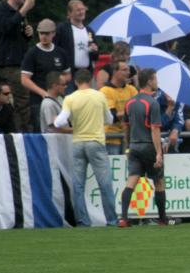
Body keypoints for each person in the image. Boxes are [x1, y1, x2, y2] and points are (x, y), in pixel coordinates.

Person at [53, 69, 117, 227]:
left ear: (76, 81)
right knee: (105, 183)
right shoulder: (99, 95)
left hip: (78, 143)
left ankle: (83, 221)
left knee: (78, 185)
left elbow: (59, 122)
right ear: (91, 80)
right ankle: (112, 220)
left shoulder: (70, 98)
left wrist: (56, 121)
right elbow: (109, 119)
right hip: (96, 141)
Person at [118, 69, 167, 227]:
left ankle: (124, 218)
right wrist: (159, 153)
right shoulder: (152, 103)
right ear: (149, 82)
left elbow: (125, 127)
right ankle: (162, 219)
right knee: (158, 181)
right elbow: (155, 129)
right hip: (148, 146)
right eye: (155, 79)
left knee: (131, 180)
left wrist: (127, 146)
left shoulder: (130, 102)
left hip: (134, 146)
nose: (157, 82)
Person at [0, 0, 36, 131]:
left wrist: (28, 34)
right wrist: (23, 10)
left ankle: (23, 132)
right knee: (22, 101)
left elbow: (17, 36)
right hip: (10, 64)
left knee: (23, 101)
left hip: (21, 62)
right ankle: (24, 136)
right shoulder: (1, 9)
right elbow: (6, 28)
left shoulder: (19, 13)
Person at [21, 18, 71, 132]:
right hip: (38, 101)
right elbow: (24, 80)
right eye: (41, 33)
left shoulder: (60, 52)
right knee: (43, 131)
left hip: (59, 100)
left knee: (60, 130)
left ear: (53, 33)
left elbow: (68, 75)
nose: (43, 36)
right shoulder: (32, 53)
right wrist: (43, 93)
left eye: (47, 33)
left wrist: (60, 84)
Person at [55, 0, 99, 88]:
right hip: (68, 74)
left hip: (86, 74)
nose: (81, 12)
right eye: (78, 10)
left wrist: (95, 50)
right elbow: (55, 49)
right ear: (70, 13)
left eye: (83, 9)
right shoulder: (62, 29)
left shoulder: (89, 31)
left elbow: (95, 57)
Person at [100, 60, 138, 154]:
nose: (128, 73)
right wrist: (132, 111)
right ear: (114, 72)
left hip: (128, 137)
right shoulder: (105, 91)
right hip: (111, 138)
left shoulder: (131, 89)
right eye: (124, 70)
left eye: (128, 70)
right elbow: (112, 117)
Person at [154, 88, 184, 153]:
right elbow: (156, 124)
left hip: (170, 142)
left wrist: (175, 130)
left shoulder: (178, 101)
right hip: (154, 142)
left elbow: (179, 120)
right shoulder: (155, 101)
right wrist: (170, 108)